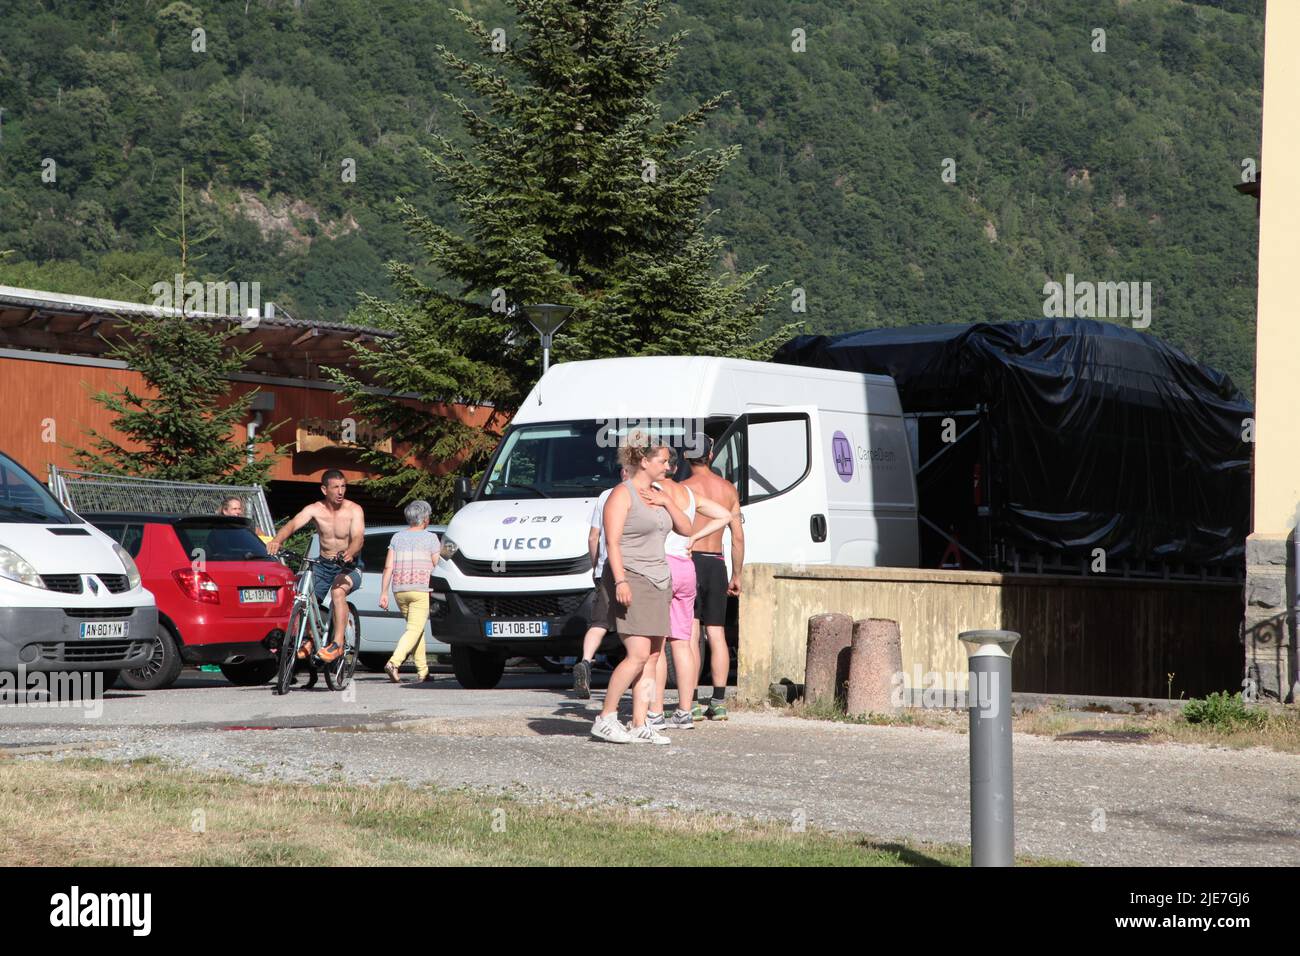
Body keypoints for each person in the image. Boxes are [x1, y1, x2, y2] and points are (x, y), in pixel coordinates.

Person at [590, 431, 695, 745]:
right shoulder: (621, 494)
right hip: (632, 578)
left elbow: (687, 529)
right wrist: (620, 580)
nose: (667, 466)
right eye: (662, 460)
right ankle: (605, 717)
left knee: (652, 657)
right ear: (644, 460)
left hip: (659, 580)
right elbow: (612, 541)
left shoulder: (659, 492)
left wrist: (666, 502)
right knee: (636, 655)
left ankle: (639, 722)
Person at [648, 450, 732, 730]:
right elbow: (725, 516)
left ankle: (657, 711)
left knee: (657, 646)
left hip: (666, 565)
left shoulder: (654, 490)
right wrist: (694, 536)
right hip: (696, 565)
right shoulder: (690, 493)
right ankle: (692, 708)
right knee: (690, 640)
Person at [266, 469, 365, 664]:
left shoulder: (354, 509)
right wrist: (277, 540)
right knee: (305, 597)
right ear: (324, 489)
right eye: (335, 487)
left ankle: (337, 644)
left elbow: (358, 538)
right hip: (323, 564)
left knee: (338, 593)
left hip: (349, 566)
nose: (340, 491)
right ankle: (310, 639)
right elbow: (293, 524)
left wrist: (350, 553)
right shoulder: (315, 509)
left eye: (343, 486)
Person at [683, 435, 744, 720]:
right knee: (716, 633)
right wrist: (737, 575)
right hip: (717, 564)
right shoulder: (728, 489)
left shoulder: (682, 490)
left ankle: (691, 700)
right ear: (710, 456)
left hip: (689, 561)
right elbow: (738, 539)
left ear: (685, 457)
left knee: (692, 635)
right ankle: (718, 701)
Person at [572, 465, 629, 699]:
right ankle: (633, 672)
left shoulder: (606, 495)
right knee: (633, 627)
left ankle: (585, 661)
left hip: (606, 567)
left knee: (599, 622)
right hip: (632, 567)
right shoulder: (647, 493)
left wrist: (596, 566)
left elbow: (593, 536)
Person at [377, 500, 440, 683]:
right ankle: (394, 662)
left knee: (415, 630)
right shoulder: (431, 538)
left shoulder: (397, 537)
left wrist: (383, 593)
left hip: (400, 591)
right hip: (421, 590)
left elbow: (388, 567)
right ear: (425, 519)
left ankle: (423, 671)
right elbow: (437, 564)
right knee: (414, 629)